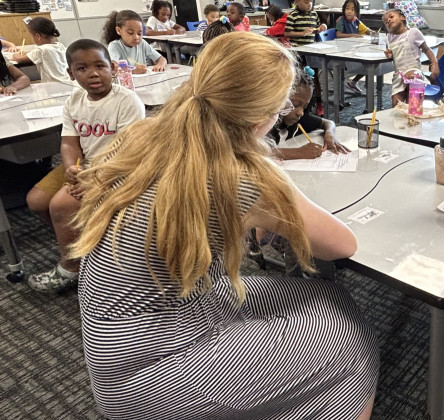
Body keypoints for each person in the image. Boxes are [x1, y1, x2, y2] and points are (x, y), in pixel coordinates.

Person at [69, 31, 378, 419]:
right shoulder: (244, 176)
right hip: (155, 370)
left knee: (326, 298)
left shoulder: (142, 134)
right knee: (351, 337)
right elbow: (341, 245)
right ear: (263, 117)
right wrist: (271, 196)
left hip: (115, 346)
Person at [25, 39, 145, 293]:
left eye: (100, 66)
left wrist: (94, 177)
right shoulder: (74, 101)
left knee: (61, 204)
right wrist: (72, 168)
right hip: (86, 165)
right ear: (71, 73)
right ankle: (84, 249)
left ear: (112, 67)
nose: (92, 73)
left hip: (118, 168)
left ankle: (71, 268)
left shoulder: (127, 101)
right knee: (36, 201)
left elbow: (128, 151)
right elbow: (69, 143)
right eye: (82, 68)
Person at [268, 66, 350, 159]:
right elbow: (254, 152)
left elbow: (328, 123)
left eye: (304, 107)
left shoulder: (299, 119)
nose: (301, 112)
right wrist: (298, 153)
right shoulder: (264, 125)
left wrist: (329, 133)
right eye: (294, 105)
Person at [383, 9, 439, 107]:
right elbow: (394, 55)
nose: (388, 21)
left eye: (391, 17)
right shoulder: (389, 38)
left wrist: (434, 63)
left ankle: (414, 107)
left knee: (412, 78)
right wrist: (390, 55)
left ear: (402, 17)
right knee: (396, 105)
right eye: (386, 21)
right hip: (399, 75)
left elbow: (427, 49)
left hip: (414, 70)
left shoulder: (413, 33)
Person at [286, 0, 327, 114]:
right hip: (298, 53)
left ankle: (318, 103)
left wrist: (322, 27)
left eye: (310, 2)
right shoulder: (293, 15)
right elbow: (287, 33)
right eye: (305, 2)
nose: (309, 4)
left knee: (314, 78)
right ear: (297, 2)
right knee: (299, 79)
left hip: (311, 52)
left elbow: (318, 28)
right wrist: (301, 33)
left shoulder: (314, 14)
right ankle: (297, 104)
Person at [103, 9, 168, 73]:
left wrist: (160, 65)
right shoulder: (114, 46)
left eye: (139, 33)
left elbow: (162, 59)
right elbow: (113, 68)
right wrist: (133, 70)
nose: (136, 37)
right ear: (118, 31)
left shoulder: (142, 43)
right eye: (130, 33)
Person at [10, 17, 68, 83]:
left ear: (38, 36)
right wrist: (28, 53)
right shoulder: (60, 45)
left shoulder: (40, 50)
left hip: (52, 85)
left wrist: (15, 55)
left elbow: (19, 59)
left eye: (31, 36)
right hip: (67, 81)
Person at [336, 0, 370, 93]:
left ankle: (354, 82)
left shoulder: (356, 21)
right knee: (367, 64)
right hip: (343, 52)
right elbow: (338, 34)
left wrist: (373, 33)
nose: (349, 11)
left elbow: (367, 30)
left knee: (370, 64)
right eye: (347, 9)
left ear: (356, 11)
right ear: (344, 9)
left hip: (354, 50)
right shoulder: (341, 20)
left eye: (352, 9)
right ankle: (353, 82)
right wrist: (352, 35)